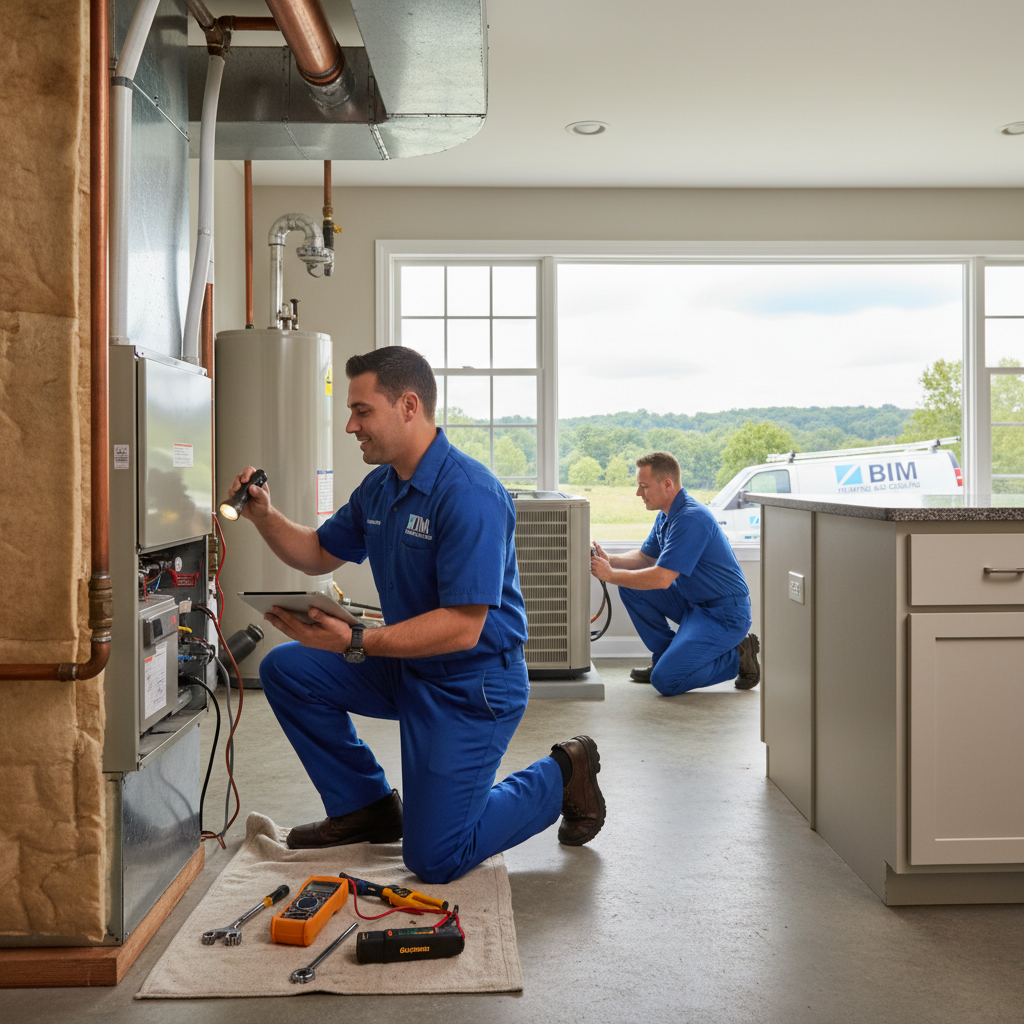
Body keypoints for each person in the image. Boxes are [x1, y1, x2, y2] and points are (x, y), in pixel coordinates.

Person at [226, 346, 604, 884]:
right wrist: (264, 514)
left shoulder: (470, 494)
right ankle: (367, 808)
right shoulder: (381, 488)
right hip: (408, 666)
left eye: (362, 411)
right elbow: (314, 552)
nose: (351, 425)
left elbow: (463, 626)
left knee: (435, 858)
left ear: (408, 405)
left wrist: (356, 640)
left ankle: (564, 774)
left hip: (472, 683)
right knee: (287, 669)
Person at [590, 451, 760, 696]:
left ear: (667, 484)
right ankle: (666, 659)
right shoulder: (667, 515)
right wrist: (609, 560)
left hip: (724, 614)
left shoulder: (691, 518)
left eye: (643, 486)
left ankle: (738, 657)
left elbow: (661, 578)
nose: (639, 493)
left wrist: (610, 574)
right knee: (631, 587)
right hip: (694, 604)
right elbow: (645, 557)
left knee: (666, 681)